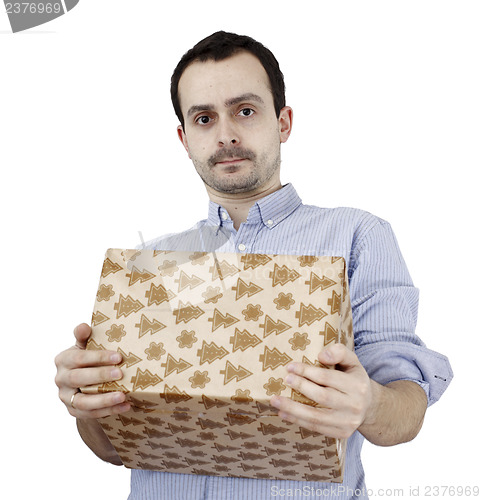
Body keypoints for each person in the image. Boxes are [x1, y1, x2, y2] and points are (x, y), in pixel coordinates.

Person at [54, 31, 453, 500]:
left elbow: (405, 412)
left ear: (283, 122)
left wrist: (369, 404)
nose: (225, 134)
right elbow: (114, 449)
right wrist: (86, 404)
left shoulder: (356, 235)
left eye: (245, 110)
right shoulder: (149, 266)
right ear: (184, 138)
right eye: (204, 118)